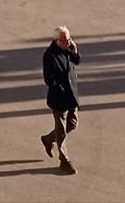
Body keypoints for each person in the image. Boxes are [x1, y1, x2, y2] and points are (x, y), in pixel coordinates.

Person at [40, 26, 81, 175]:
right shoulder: (49, 56)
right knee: (61, 130)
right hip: (59, 99)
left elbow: (77, 62)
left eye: (69, 39)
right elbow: (48, 79)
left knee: (73, 124)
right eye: (64, 40)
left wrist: (74, 51)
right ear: (56, 40)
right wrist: (60, 88)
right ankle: (64, 160)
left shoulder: (68, 49)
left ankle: (48, 139)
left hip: (72, 96)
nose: (67, 42)